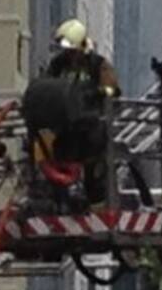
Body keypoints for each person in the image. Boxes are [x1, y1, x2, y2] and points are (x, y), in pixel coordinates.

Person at [29, 18, 121, 208]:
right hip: (66, 123)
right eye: (67, 50)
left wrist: (98, 93)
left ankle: (91, 190)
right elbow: (48, 85)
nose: (69, 54)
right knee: (59, 150)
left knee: (93, 152)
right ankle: (57, 192)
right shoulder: (58, 64)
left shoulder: (97, 64)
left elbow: (112, 88)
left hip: (92, 122)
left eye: (72, 50)